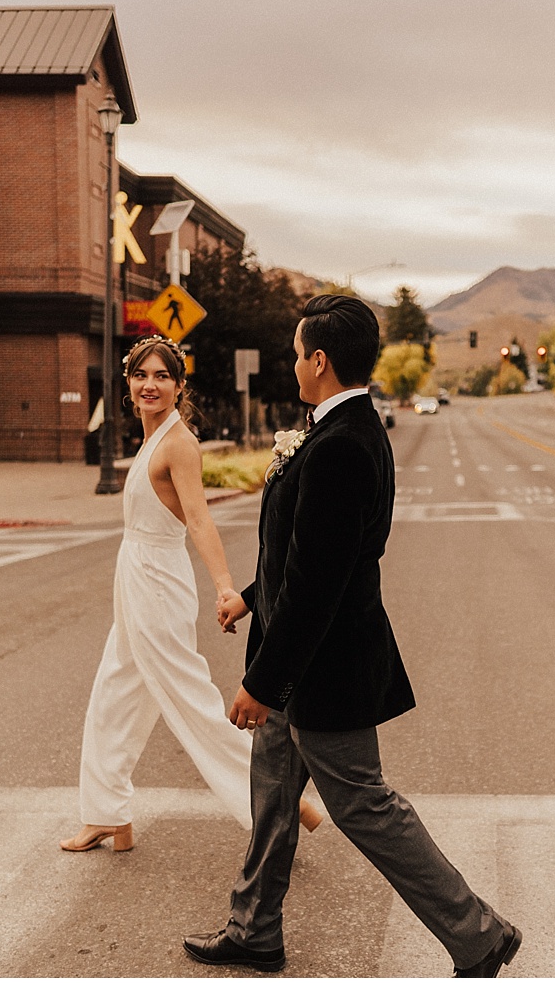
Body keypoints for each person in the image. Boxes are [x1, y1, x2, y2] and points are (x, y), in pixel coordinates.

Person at [183, 296, 521, 977]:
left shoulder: (341, 445)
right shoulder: (337, 429)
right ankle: (254, 928)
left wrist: (260, 683)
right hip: (296, 655)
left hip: (321, 669)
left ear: (319, 359)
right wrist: (251, 600)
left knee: (364, 804)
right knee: (274, 795)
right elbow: (304, 554)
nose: (290, 362)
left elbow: (317, 584)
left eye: (295, 351)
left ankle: (478, 934)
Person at [60, 335, 320, 854]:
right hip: (135, 576)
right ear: (128, 386)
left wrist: (226, 587)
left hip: (157, 582)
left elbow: (199, 519)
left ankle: (282, 802)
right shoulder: (151, 437)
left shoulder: (179, 442)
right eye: (140, 376)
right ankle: (108, 813)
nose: (149, 385)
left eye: (161, 376)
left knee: (191, 701)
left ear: (179, 386)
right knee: (115, 692)